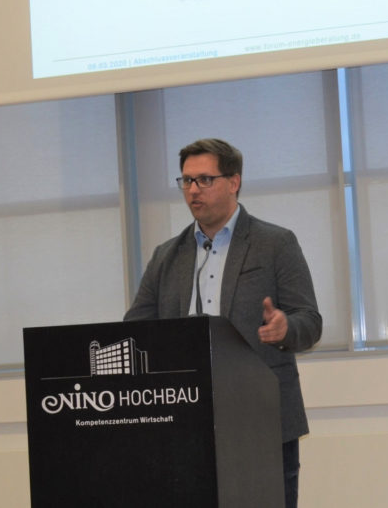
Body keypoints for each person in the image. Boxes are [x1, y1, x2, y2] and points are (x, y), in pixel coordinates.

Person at [125, 138, 321, 508]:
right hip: (185, 422)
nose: (193, 190)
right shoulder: (166, 256)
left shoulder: (275, 243)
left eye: (204, 179)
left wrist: (285, 329)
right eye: (186, 181)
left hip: (261, 418)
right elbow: (135, 329)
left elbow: (309, 321)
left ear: (234, 182)